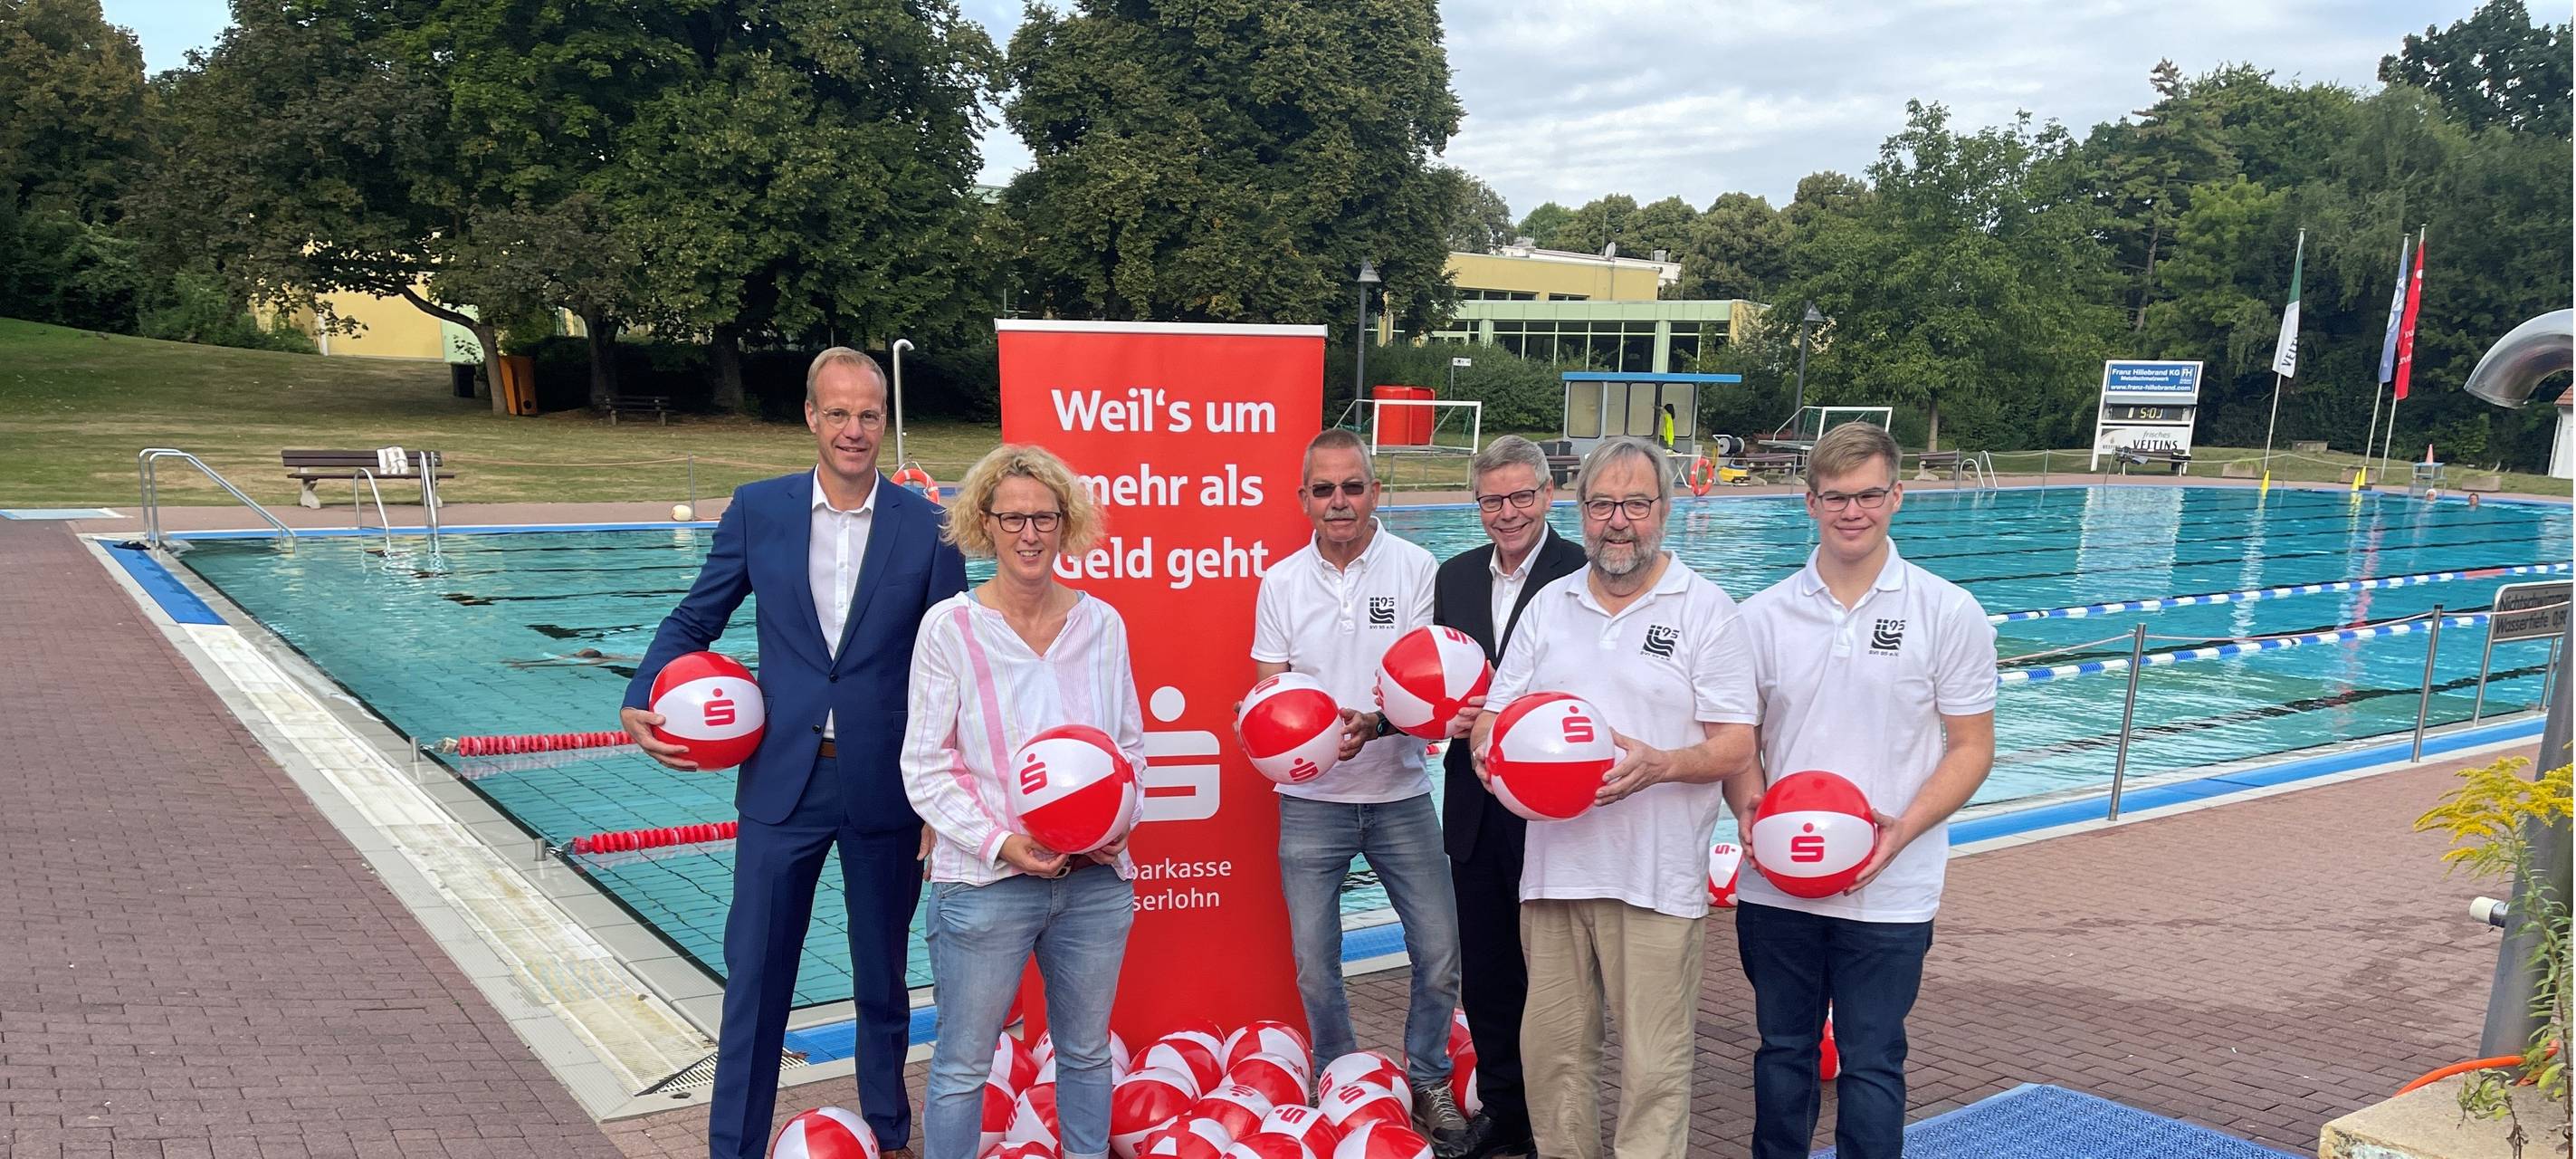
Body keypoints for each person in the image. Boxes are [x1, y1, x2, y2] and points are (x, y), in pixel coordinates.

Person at [619, 348, 968, 1159]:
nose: (854, 430)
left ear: (884, 420)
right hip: (783, 784)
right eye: (838, 413)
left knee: (882, 977)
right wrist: (640, 693)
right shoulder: (759, 510)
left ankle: (888, 1135)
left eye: (868, 415)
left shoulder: (928, 526)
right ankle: (734, 1147)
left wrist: (944, 798)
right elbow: (695, 617)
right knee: (757, 978)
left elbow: (953, 665)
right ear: (811, 416)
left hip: (887, 786)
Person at [1467, 436, 1758, 1159]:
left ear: (1664, 509)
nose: (1617, 522)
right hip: (1555, 872)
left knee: (1654, 1069)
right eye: (1602, 505)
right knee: (1554, 1061)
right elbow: (1497, 715)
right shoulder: (1550, 605)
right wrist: (1488, 754)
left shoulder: (1706, 610)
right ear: (1581, 511)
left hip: (1654, 876)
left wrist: (1665, 764)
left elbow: (1736, 745)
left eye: (1635, 504)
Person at [1727, 421, 1998, 1159]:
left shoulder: (1947, 612)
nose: (1854, 511)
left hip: (1893, 886)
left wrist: (1901, 830)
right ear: (1810, 502)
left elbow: (1972, 746)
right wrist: (1750, 809)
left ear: (1897, 496)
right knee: (1782, 1052)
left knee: (1873, 1060)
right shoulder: (1760, 617)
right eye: (1836, 497)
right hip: (1778, 885)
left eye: (1869, 495)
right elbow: (1739, 743)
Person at [904, 445, 1143, 1159]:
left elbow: (1130, 750)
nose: (1030, 534)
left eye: (1044, 517)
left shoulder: (1103, 625)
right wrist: (1003, 843)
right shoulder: (949, 629)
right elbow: (925, 765)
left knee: (1087, 1054)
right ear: (986, 523)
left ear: (1066, 523)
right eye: (1013, 518)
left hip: (1093, 881)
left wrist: (1118, 823)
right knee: (962, 1067)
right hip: (985, 885)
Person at [1252, 427, 1468, 1154]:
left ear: (1376, 491)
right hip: (1312, 805)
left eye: (1352, 486)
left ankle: (1429, 1077)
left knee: (1439, 951)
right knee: (1316, 965)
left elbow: (1430, 687)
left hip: (1400, 793)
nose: (1339, 501)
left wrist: (1373, 725)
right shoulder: (1281, 582)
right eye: (1324, 489)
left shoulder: (1415, 568)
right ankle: (1339, 1075)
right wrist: (1283, 732)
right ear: (1304, 499)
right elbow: (1270, 691)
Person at [1428, 436, 1585, 1159]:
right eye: (1493, 500)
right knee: (1489, 973)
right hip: (1474, 803)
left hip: (1553, 810)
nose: (1509, 512)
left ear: (1548, 495)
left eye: (1522, 496)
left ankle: (1560, 1124)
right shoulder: (1456, 577)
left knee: (1558, 979)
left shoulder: (1581, 572)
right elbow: (1437, 679)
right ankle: (1505, 1114)